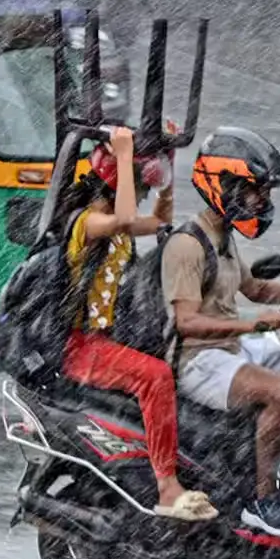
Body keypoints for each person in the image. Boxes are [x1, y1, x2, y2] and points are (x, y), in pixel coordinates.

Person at [161, 127, 280, 537]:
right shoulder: (187, 245)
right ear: (225, 185)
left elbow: (256, 289)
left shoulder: (224, 237)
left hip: (233, 347)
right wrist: (253, 323)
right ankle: (263, 500)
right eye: (258, 191)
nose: (264, 201)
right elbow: (185, 322)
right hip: (198, 359)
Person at [63, 125, 218, 522]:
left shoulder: (119, 226)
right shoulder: (88, 223)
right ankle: (167, 487)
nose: (143, 194)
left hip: (108, 341)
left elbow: (158, 219)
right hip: (82, 346)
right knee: (155, 377)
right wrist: (126, 155)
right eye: (137, 185)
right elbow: (127, 216)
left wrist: (168, 163)